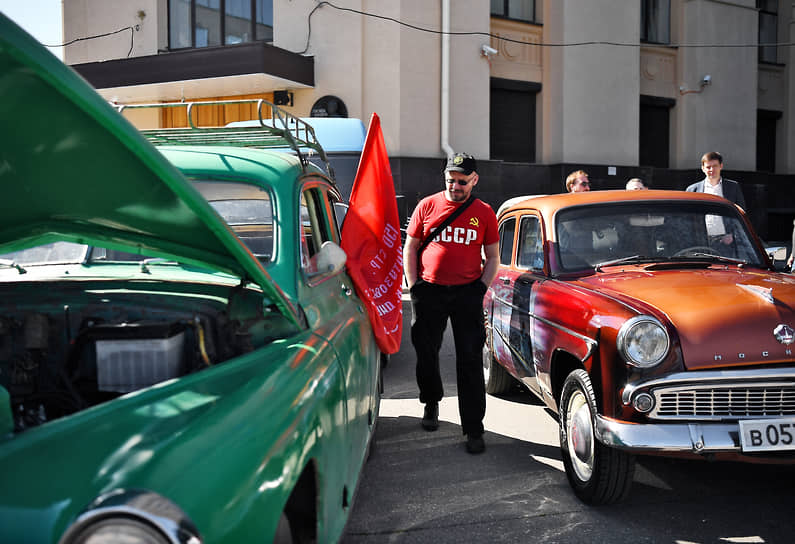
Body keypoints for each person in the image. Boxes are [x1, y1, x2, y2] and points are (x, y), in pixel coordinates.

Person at [403, 153, 499, 454]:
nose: (455, 186)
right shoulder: (427, 205)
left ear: (474, 180)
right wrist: (413, 285)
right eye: (450, 180)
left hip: (466, 293)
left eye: (462, 181)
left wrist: (481, 287)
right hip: (429, 291)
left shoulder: (483, 212)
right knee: (426, 352)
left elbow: (493, 256)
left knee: (469, 359)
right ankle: (431, 403)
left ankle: (473, 428)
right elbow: (412, 246)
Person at [686, 151, 746, 251]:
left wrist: (733, 235)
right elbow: (687, 219)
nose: (712, 169)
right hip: (702, 242)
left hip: (727, 242)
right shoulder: (693, 190)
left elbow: (741, 213)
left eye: (715, 166)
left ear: (721, 166)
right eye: (708, 167)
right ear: (703, 168)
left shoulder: (733, 187)